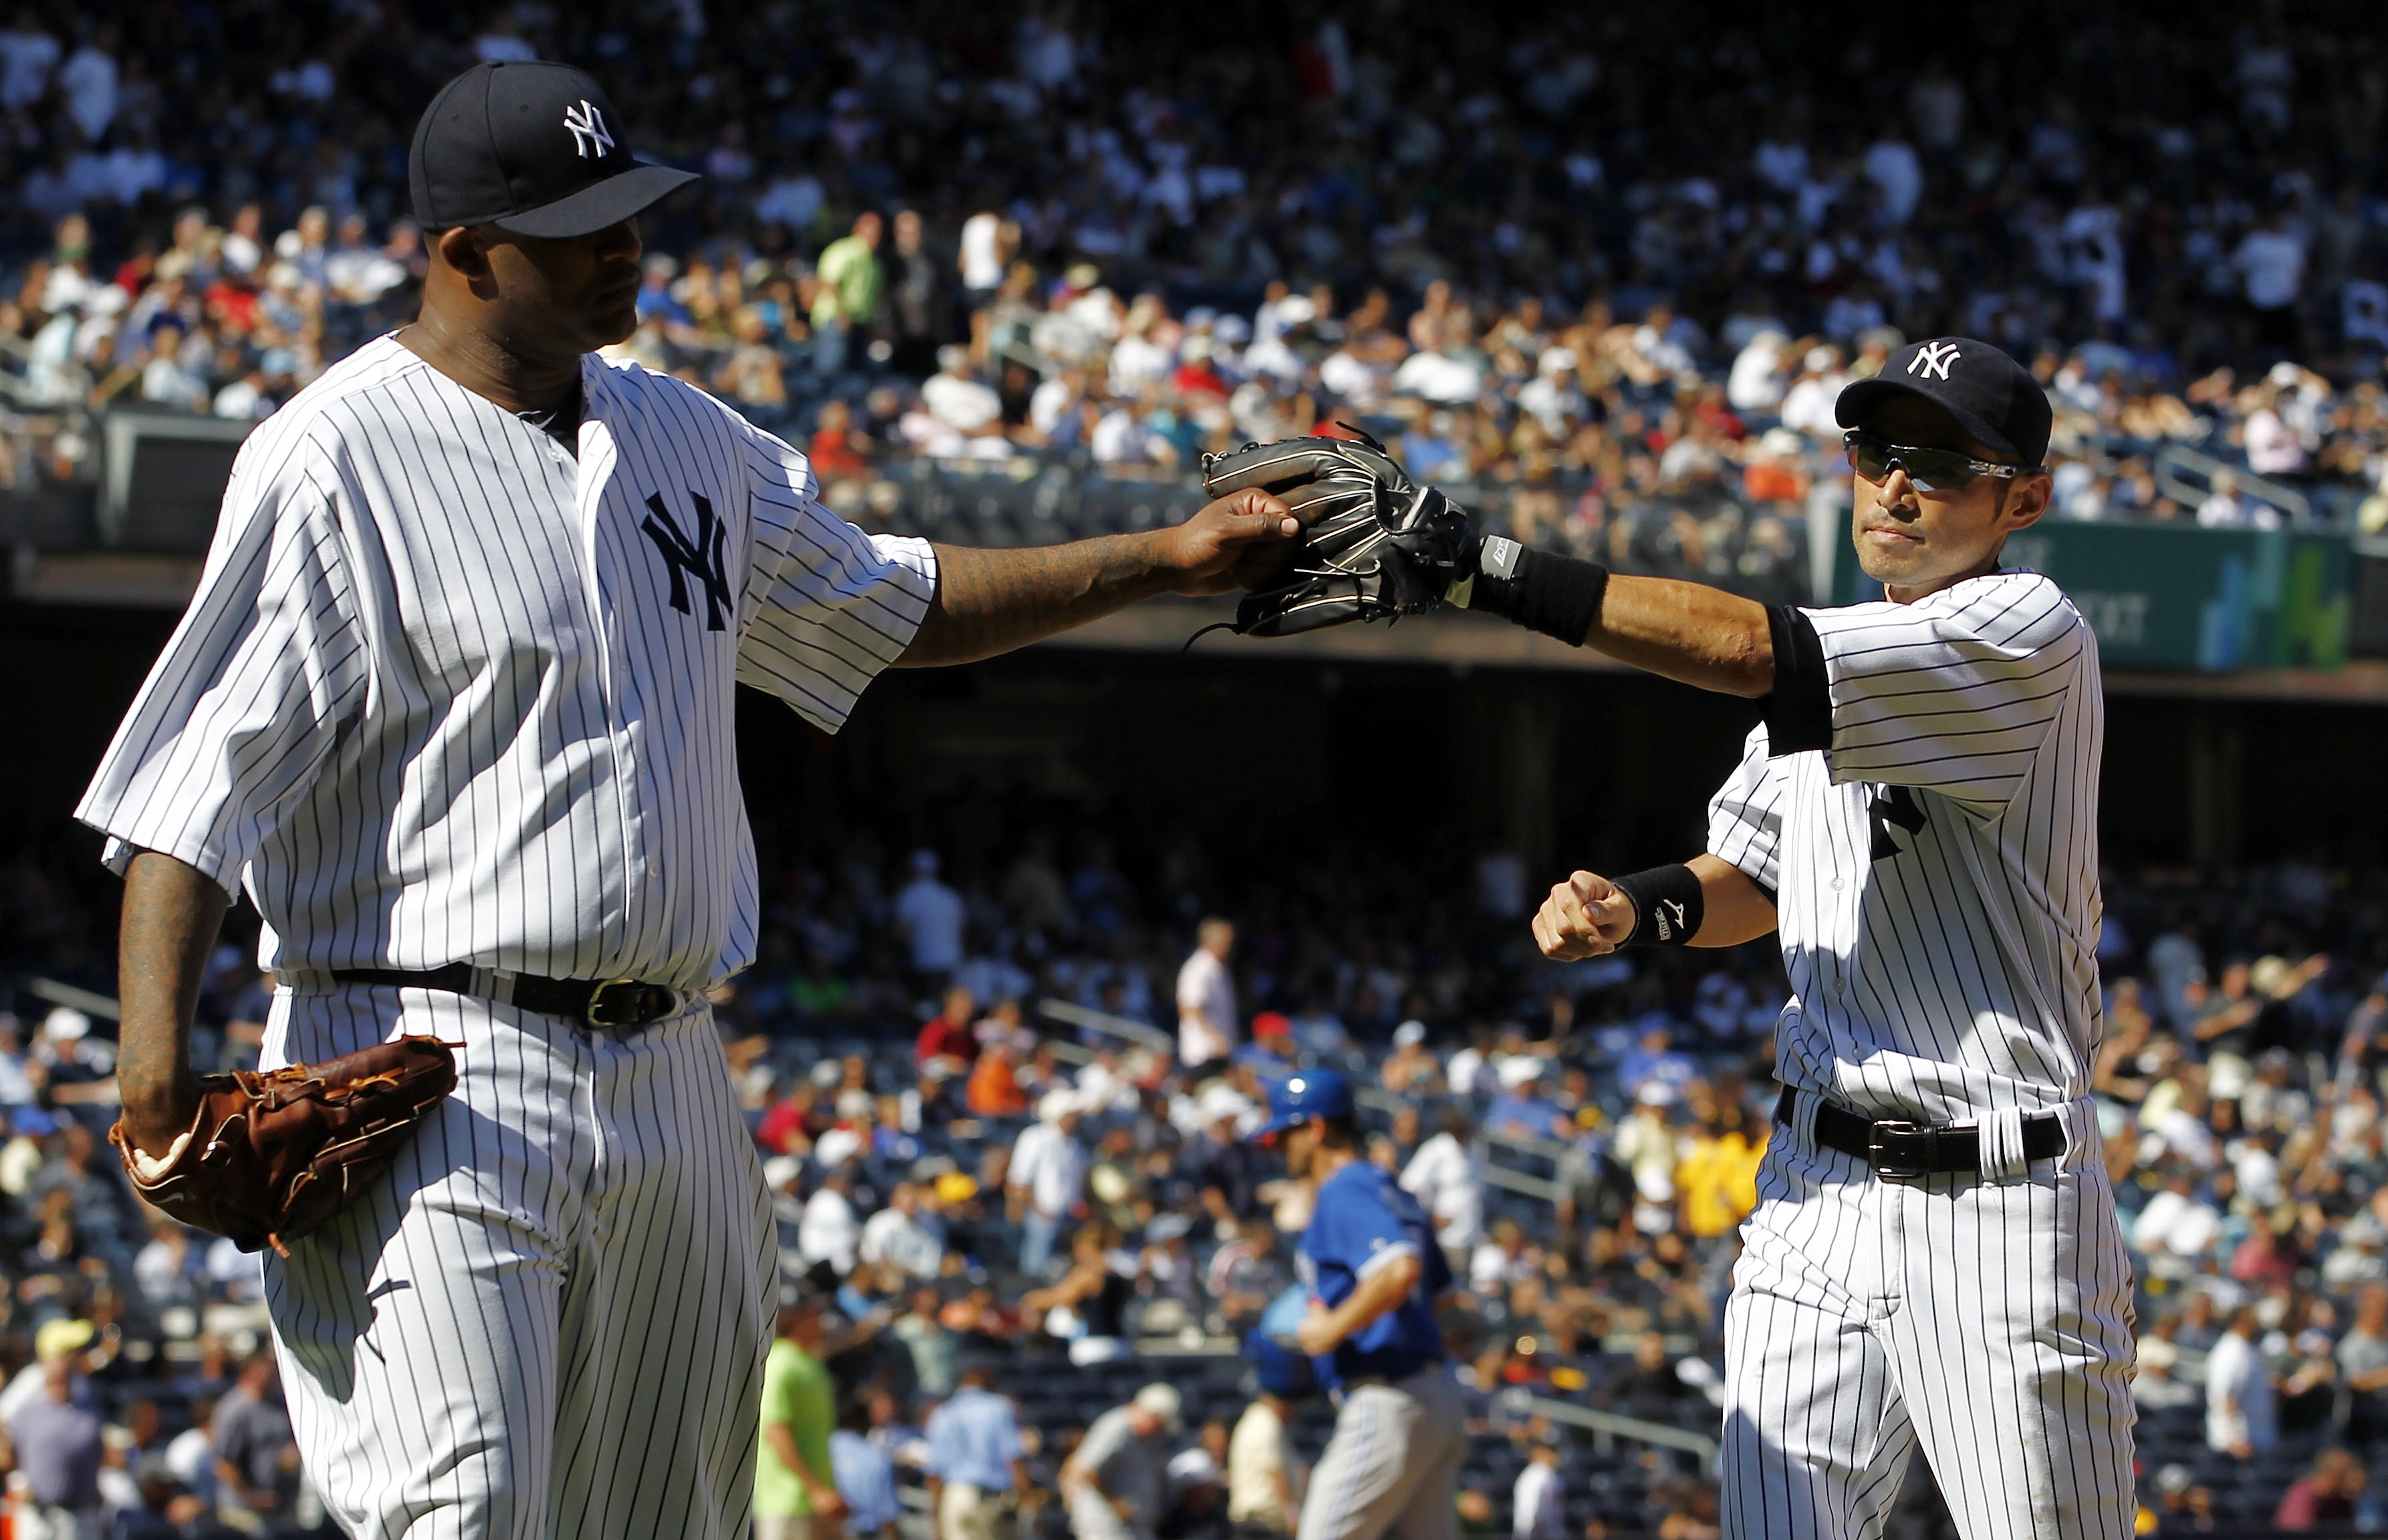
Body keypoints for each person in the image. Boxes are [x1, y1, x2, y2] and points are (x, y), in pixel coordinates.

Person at [78, 59, 1297, 1540]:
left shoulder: (687, 438)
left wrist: (1157, 559)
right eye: (584, 226)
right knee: (461, 1519)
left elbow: (887, 605)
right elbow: (188, 789)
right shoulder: (332, 457)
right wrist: (154, 1096)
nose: (628, 249)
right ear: (466, 252)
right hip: (423, 1064)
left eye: (632, 213)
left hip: (673, 1071)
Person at [1526, 337, 2130, 1537]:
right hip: (1814, 1192)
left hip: (1997, 1198)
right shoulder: (1843, 652)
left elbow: (1754, 652)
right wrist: (1635, 904)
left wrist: (1488, 570)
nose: (1894, 484)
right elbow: (1749, 870)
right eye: (1873, 451)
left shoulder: (2030, 628)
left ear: (2023, 497)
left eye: (1939, 462)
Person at [1251, 1068, 1466, 1540]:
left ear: (1316, 1129)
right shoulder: (1392, 1189)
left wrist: (1332, 1329)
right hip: (1437, 1393)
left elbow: (1398, 1269)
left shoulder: (1344, 1187)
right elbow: (1447, 1297)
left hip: (1389, 1394)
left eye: (1286, 1136)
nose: (1281, 1150)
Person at [759, 1291, 844, 1540]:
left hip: (818, 1501)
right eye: (815, 1315)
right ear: (797, 1320)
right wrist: (816, 1490)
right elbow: (775, 1430)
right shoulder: (782, 1363)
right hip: (786, 1504)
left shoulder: (810, 1363)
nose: (822, 1321)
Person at [1061, 1383, 1182, 1540]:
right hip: (1106, 1526)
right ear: (1151, 1415)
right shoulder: (1117, 1427)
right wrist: (1114, 1503)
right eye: (1160, 1423)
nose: (1161, 1429)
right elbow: (1084, 1469)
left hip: (1136, 1527)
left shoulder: (1153, 1439)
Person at [923, 1358, 1025, 1540]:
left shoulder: (942, 1412)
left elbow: (934, 1472)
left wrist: (936, 1515)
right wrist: (1024, 1496)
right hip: (992, 1498)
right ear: (977, 1377)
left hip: (955, 1496)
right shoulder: (999, 1407)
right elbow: (1013, 1457)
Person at [6, 1354, 103, 1539]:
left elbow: (100, 1450)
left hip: (80, 1512)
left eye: (65, 1378)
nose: (61, 1384)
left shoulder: (90, 1410)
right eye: (55, 1380)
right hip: (39, 1513)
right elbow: (9, 1453)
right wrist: (17, 1481)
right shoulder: (28, 1412)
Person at [1009, 1090, 1090, 1277]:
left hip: (1069, 1217)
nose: (1076, 1119)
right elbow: (1019, 1180)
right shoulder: (1035, 1138)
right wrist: (1039, 1211)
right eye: (1072, 1115)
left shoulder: (1074, 1144)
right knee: (1036, 1270)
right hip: (1042, 1215)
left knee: (1059, 1270)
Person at [2206, 1303, 2276, 1459]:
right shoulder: (2232, 1352)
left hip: (2254, 1439)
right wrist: (2233, 1438)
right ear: (2241, 1322)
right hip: (2236, 1446)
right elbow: (2226, 1397)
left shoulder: (2247, 1349)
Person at [830, 1399, 903, 1540]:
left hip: (822, 1530)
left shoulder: (820, 1452)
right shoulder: (877, 1459)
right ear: (864, 1421)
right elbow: (888, 1515)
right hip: (864, 1534)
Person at [1177, 918, 1239, 1067]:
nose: (1230, 946)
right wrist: (1215, 1038)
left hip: (1220, 1051)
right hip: (1203, 1052)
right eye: (1227, 941)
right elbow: (1189, 1009)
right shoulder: (1198, 969)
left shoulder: (1218, 968)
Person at [2273, 1446, 2365, 1531]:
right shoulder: (2304, 1494)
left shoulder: (2340, 1501)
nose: (2352, 1481)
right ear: (2328, 1474)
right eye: (2343, 1475)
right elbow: (2295, 1533)